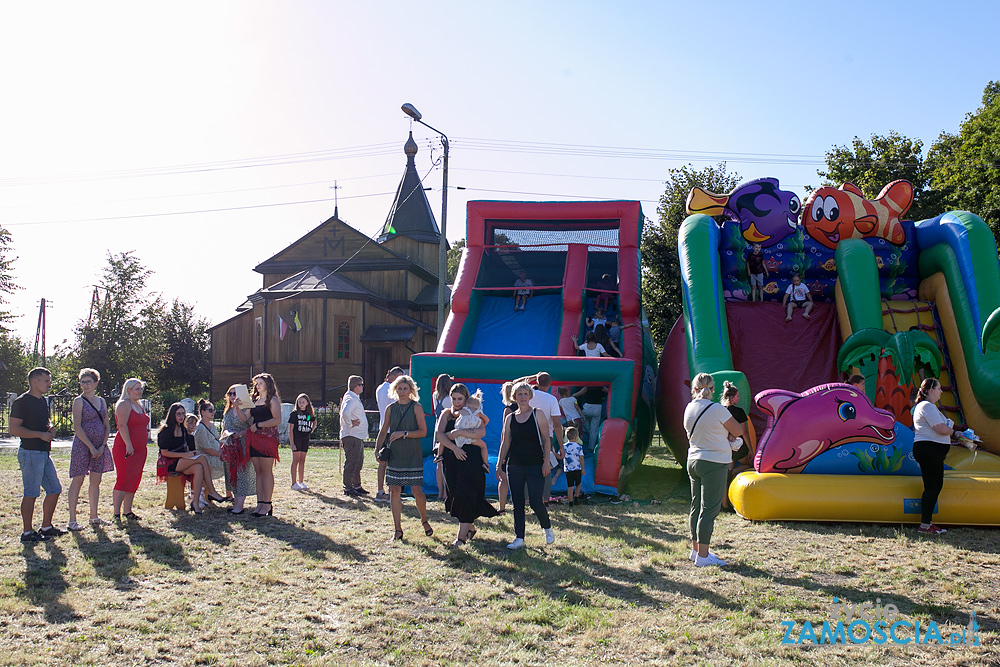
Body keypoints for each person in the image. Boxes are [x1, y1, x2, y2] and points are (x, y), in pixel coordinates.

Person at [684, 373, 744, 567]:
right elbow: (738, 431)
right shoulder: (717, 409)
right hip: (714, 462)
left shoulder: (689, 408)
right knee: (709, 510)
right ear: (713, 390)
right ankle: (703, 556)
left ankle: (695, 550)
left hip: (693, 460)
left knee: (695, 506)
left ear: (694, 389)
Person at [436, 383, 497, 546]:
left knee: (466, 494)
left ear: (466, 398)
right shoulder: (446, 414)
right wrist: (454, 448)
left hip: (470, 460)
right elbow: (439, 435)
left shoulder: (473, 412)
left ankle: (460, 538)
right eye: (454, 399)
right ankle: (469, 527)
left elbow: (481, 432)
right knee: (454, 496)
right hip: (452, 458)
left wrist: (461, 433)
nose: (456, 402)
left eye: (460, 399)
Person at [498, 381, 554, 549]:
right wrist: (500, 465)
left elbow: (546, 440)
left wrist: (545, 462)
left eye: (525, 394)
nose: (522, 397)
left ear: (530, 396)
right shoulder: (510, 418)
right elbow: (505, 442)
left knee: (536, 502)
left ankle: (547, 527)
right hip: (514, 465)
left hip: (535, 465)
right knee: (517, 503)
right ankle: (519, 538)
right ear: (514, 397)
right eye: (519, 394)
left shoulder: (538, 414)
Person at [374, 375, 430, 540]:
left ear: (411, 390)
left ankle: (424, 520)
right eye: (399, 388)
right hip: (395, 453)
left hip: (412, 452)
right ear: (395, 390)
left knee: (416, 490)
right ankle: (397, 530)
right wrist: (377, 449)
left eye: (405, 388)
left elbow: (423, 432)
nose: (402, 391)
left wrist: (404, 434)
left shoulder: (416, 407)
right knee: (394, 490)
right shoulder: (390, 408)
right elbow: (383, 430)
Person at [12, 367, 63, 543]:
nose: (49, 384)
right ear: (35, 381)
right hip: (30, 452)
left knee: (55, 489)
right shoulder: (21, 402)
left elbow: (44, 422)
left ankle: (46, 527)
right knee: (31, 493)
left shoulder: (42, 401)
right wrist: (39, 435)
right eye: (46, 381)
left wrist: (49, 428)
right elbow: (14, 429)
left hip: (43, 452)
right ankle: (27, 533)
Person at [66, 368, 114, 531]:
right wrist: (91, 447)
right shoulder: (78, 401)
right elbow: (77, 426)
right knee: (78, 479)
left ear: (95, 383)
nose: (85, 385)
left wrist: (101, 446)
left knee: (96, 481)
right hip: (83, 444)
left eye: (88, 382)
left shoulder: (101, 401)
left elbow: (106, 425)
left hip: (99, 445)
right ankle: (72, 520)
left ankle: (94, 516)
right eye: (82, 382)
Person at [912, 378, 961, 536]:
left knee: (932, 487)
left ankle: (927, 523)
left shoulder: (929, 407)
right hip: (929, 450)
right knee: (934, 486)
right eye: (939, 388)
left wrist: (950, 430)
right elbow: (941, 428)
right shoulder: (927, 406)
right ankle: (925, 524)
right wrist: (953, 432)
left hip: (930, 450)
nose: (941, 391)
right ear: (931, 390)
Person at [158, 403, 225, 514]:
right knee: (202, 458)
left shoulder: (183, 430)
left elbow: (187, 449)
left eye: (183, 414)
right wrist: (184, 455)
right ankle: (212, 491)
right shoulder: (166, 430)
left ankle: (195, 501)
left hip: (182, 461)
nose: (181, 416)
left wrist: (192, 452)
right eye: (178, 414)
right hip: (169, 462)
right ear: (172, 415)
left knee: (198, 468)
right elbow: (164, 452)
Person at [112, 378, 150, 522]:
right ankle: (116, 512)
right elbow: (122, 426)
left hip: (140, 449)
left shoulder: (138, 405)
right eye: (137, 389)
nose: (140, 391)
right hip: (126, 448)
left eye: (140, 389)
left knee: (134, 478)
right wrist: (128, 444)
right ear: (128, 390)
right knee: (123, 478)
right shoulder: (123, 404)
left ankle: (127, 510)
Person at [246, 373, 282, 517]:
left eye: (260, 383)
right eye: (256, 383)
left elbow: (277, 420)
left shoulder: (272, 400)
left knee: (266, 471)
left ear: (267, 384)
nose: (257, 386)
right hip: (254, 438)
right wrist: (237, 408)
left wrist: (259, 425)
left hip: (268, 438)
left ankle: (267, 503)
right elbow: (245, 418)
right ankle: (260, 503)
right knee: (258, 471)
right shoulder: (254, 400)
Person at [219, 385, 256, 514]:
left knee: (242, 473)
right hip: (229, 446)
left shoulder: (247, 409)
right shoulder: (227, 411)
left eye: (235, 393)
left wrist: (239, 434)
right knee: (231, 473)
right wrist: (223, 439)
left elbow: (250, 427)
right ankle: (236, 502)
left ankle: (240, 506)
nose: (233, 396)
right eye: (230, 393)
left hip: (242, 445)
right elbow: (224, 427)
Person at [374, 366, 404, 503]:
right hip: (392, 430)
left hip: (384, 428)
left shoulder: (380, 388)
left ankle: (381, 491)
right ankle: (393, 493)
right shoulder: (390, 390)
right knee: (394, 462)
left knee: (383, 461)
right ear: (394, 377)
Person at [194, 398, 230, 502]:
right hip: (206, 457)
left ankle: (229, 493)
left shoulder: (212, 426)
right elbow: (206, 449)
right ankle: (216, 492)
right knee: (229, 464)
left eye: (213, 410)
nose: (213, 412)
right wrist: (221, 454)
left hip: (216, 455)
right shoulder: (200, 428)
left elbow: (218, 440)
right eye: (210, 410)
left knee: (232, 462)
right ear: (203, 412)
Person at [339, 376, 369, 497]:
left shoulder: (353, 397)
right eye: (361, 385)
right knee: (352, 461)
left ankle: (356, 485)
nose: (362, 387)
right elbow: (345, 413)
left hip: (357, 435)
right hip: (352, 435)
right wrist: (350, 424)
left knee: (358, 461)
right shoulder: (351, 399)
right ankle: (348, 486)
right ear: (356, 387)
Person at [452, 390, 490, 471]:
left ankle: (439, 454)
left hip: (460, 436)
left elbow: (454, 414)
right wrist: (482, 422)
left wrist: (452, 410)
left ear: (467, 403)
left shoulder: (463, 411)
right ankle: (485, 463)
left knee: (447, 436)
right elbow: (487, 419)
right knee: (483, 446)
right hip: (472, 439)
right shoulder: (478, 413)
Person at [288, 393, 317, 491]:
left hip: (305, 438)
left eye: (303, 402)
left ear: (307, 403)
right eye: (299, 402)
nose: (301, 404)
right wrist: (292, 443)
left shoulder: (308, 414)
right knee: (295, 460)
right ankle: (293, 483)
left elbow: (312, 421)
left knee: (302, 460)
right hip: (297, 438)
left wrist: (311, 429)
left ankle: (301, 481)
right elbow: (290, 429)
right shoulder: (294, 414)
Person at [432, 374, 453, 502]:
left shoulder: (435, 396)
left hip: (437, 431)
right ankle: (446, 491)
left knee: (439, 462)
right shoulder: (448, 399)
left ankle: (440, 492)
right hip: (447, 431)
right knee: (447, 462)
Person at [574, 384, 607, 454]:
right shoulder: (601, 387)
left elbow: (576, 395)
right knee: (594, 428)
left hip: (588, 406)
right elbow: (609, 391)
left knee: (582, 419)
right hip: (598, 407)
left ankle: (587, 430)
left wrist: (571, 400)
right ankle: (591, 447)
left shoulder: (587, 388)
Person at [562, 426, 586, 506]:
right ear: (576, 437)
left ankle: (570, 502)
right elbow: (581, 458)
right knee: (578, 484)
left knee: (570, 486)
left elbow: (559, 455)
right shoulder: (578, 447)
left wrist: (554, 453)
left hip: (568, 470)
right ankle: (576, 497)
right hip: (577, 468)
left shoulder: (564, 447)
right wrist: (583, 469)